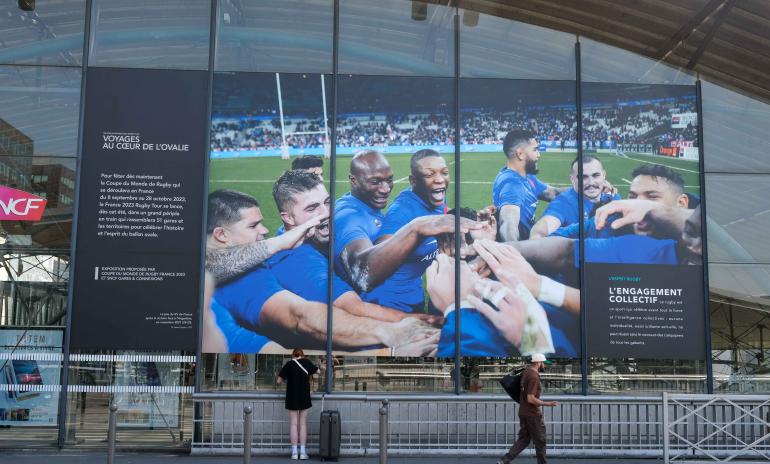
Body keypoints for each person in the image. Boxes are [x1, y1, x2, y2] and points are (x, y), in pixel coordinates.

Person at [333, 150, 478, 293]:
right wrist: (416, 228)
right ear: (353, 181)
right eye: (375, 182)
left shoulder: (367, 204)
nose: (385, 189)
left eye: (389, 180)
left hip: (410, 296)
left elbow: (440, 211)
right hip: (387, 305)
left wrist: (468, 218)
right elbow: (362, 274)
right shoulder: (349, 217)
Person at [365, 149, 449, 313]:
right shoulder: (402, 212)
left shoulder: (436, 197)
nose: (439, 179)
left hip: (414, 295)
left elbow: (441, 212)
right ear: (413, 181)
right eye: (429, 174)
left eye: (444, 172)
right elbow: (376, 259)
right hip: (389, 303)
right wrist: (415, 232)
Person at [493, 130, 567, 242]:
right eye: (535, 149)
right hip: (524, 249)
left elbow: (552, 193)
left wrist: (586, 188)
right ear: (520, 154)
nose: (539, 154)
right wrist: (518, 255)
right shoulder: (512, 184)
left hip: (529, 243)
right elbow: (508, 224)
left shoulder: (527, 177)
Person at [529, 155, 619, 239]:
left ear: (603, 175)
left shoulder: (612, 196)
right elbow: (541, 230)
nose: (591, 182)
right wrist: (537, 237)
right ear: (572, 179)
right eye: (583, 177)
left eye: (596, 175)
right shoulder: (564, 203)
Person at [497, 353, 557, 464]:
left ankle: (504, 460)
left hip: (523, 412)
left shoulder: (526, 373)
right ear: (538, 363)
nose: (544, 365)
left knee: (523, 439)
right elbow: (530, 398)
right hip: (532, 414)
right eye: (543, 363)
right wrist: (547, 404)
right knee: (540, 440)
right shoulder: (533, 377)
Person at [277, 349, 319, 460]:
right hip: (304, 396)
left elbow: (278, 381)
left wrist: (289, 379)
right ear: (302, 355)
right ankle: (303, 452)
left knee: (293, 424)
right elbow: (318, 371)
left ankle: (294, 453)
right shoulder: (307, 362)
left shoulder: (289, 364)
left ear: (292, 355)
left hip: (292, 396)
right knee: (303, 424)